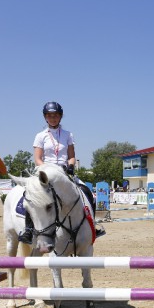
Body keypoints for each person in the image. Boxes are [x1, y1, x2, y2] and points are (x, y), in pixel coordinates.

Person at [18, 101, 104, 244]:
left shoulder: (68, 134)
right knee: (30, 196)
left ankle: (92, 225)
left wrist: (70, 166)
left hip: (64, 173)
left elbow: (71, 156)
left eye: (56, 115)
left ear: (60, 116)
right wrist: (49, 169)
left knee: (87, 191)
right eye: (50, 115)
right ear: (45, 117)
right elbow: (38, 159)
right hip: (45, 173)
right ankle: (28, 229)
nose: (53, 118)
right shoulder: (40, 136)